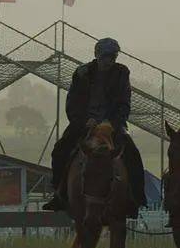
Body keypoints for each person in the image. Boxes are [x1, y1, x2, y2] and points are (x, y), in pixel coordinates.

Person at [42, 37, 146, 218]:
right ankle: (59, 194)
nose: (110, 61)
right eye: (106, 57)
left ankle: (136, 198)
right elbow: (72, 103)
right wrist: (83, 121)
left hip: (112, 125)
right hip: (84, 124)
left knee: (133, 154)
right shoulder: (82, 73)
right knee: (60, 149)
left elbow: (124, 102)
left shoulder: (122, 73)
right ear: (97, 55)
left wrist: (112, 123)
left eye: (113, 57)